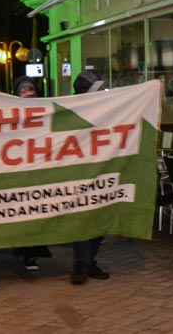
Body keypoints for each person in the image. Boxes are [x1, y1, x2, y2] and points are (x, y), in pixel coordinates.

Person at [70, 70, 110, 285]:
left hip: (100, 172)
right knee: (83, 222)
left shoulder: (106, 111)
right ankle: (81, 264)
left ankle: (89, 261)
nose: (103, 92)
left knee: (98, 222)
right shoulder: (72, 112)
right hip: (80, 175)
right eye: (99, 89)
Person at [12, 75, 53, 272]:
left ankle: (34, 251)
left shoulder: (45, 113)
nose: (27, 94)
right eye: (23, 91)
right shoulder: (9, 114)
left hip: (38, 173)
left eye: (31, 90)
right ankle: (28, 253)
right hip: (19, 174)